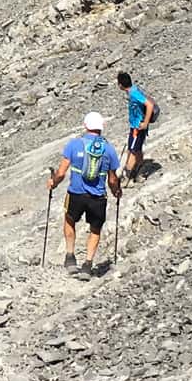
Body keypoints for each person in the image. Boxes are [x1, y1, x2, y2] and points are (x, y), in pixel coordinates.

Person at [46, 111, 122, 275]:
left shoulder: (74, 145)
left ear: (86, 126)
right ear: (101, 128)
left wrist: (53, 183)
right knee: (95, 229)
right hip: (98, 196)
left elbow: (61, 172)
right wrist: (116, 192)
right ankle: (88, 265)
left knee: (69, 219)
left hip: (76, 193)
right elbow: (112, 179)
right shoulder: (109, 149)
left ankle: (70, 256)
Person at [118, 71, 156, 181]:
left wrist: (145, 123)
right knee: (136, 148)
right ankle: (139, 170)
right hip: (136, 125)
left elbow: (149, 105)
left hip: (138, 126)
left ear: (120, 85)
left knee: (133, 150)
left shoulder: (134, 93)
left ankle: (127, 175)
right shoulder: (133, 90)